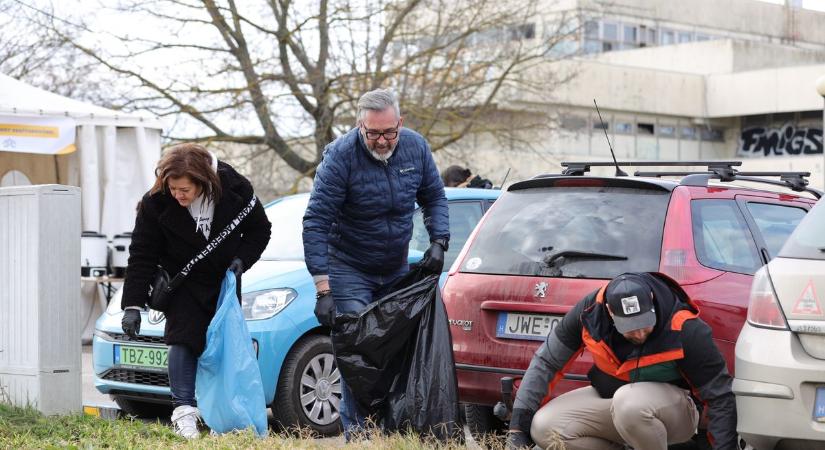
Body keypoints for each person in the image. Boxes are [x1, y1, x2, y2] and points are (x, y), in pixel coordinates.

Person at [302, 88, 450, 437]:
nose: (382, 141)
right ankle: (359, 435)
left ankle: (390, 428)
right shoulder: (341, 157)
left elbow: (435, 197)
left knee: (391, 350)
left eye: (389, 132)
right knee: (360, 348)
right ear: (359, 126)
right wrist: (323, 289)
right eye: (373, 133)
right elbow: (316, 221)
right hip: (348, 267)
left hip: (394, 267)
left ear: (400, 123)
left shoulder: (415, 147)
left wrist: (440, 242)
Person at [120, 143, 271, 439]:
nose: (178, 196)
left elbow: (260, 229)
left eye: (184, 190)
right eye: (173, 188)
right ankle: (184, 413)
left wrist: (242, 259)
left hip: (223, 280)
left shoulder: (236, 188)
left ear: (204, 181)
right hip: (182, 282)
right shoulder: (156, 201)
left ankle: (224, 418)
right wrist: (132, 305)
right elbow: (142, 253)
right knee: (182, 340)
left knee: (223, 349)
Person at [506, 272, 737, 450]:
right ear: (610, 312)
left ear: (651, 300)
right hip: (619, 405)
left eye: (644, 324)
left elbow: (720, 397)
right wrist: (518, 426)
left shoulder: (685, 327)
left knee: (630, 403)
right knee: (544, 426)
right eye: (629, 328)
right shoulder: (588, 314)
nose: (638, 335)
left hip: (679, 414)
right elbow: (546, 363)